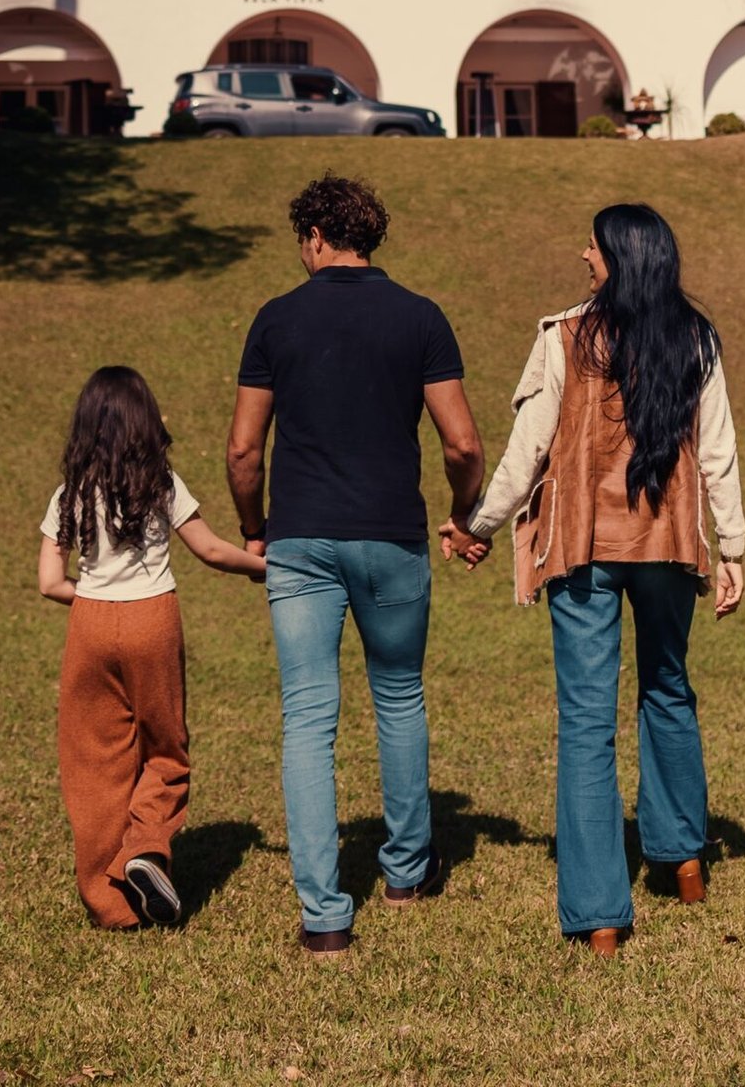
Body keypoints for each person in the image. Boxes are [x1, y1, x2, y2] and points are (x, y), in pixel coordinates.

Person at [442, 201, 745, 957]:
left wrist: (478, 526)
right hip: (669, 541)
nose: (583, 255)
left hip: (581, 545)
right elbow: (718, 453)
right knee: (668, 690)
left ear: (622, 256)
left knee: (585, 723)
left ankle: (600, 915)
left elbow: (529, 450)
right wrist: (733, 548)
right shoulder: (696, 338)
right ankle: (681, 862)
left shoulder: (567, 335)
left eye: (593, 246)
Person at [226, 173, 485, 956]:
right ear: (367, 237)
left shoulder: (276, 320)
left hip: (300, 540)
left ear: (313, 237)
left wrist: (253, 528)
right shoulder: (421, 318)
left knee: (308, 717)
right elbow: (463, 443)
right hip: (392, 537)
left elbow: (244, 449)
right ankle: (406, 872)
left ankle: (325, 917)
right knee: (399, 697)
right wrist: (464, 509)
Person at [38, 364, 266, 931]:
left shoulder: (68, 495)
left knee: (93, 758)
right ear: (145, 423)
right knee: (164, 749)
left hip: (88, 622)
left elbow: (48, 582)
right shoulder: (162, 483)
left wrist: (93, 601)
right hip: (154, 620)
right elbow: (210, 550)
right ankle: (145, 848)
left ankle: (110, 903)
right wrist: (263, 566)